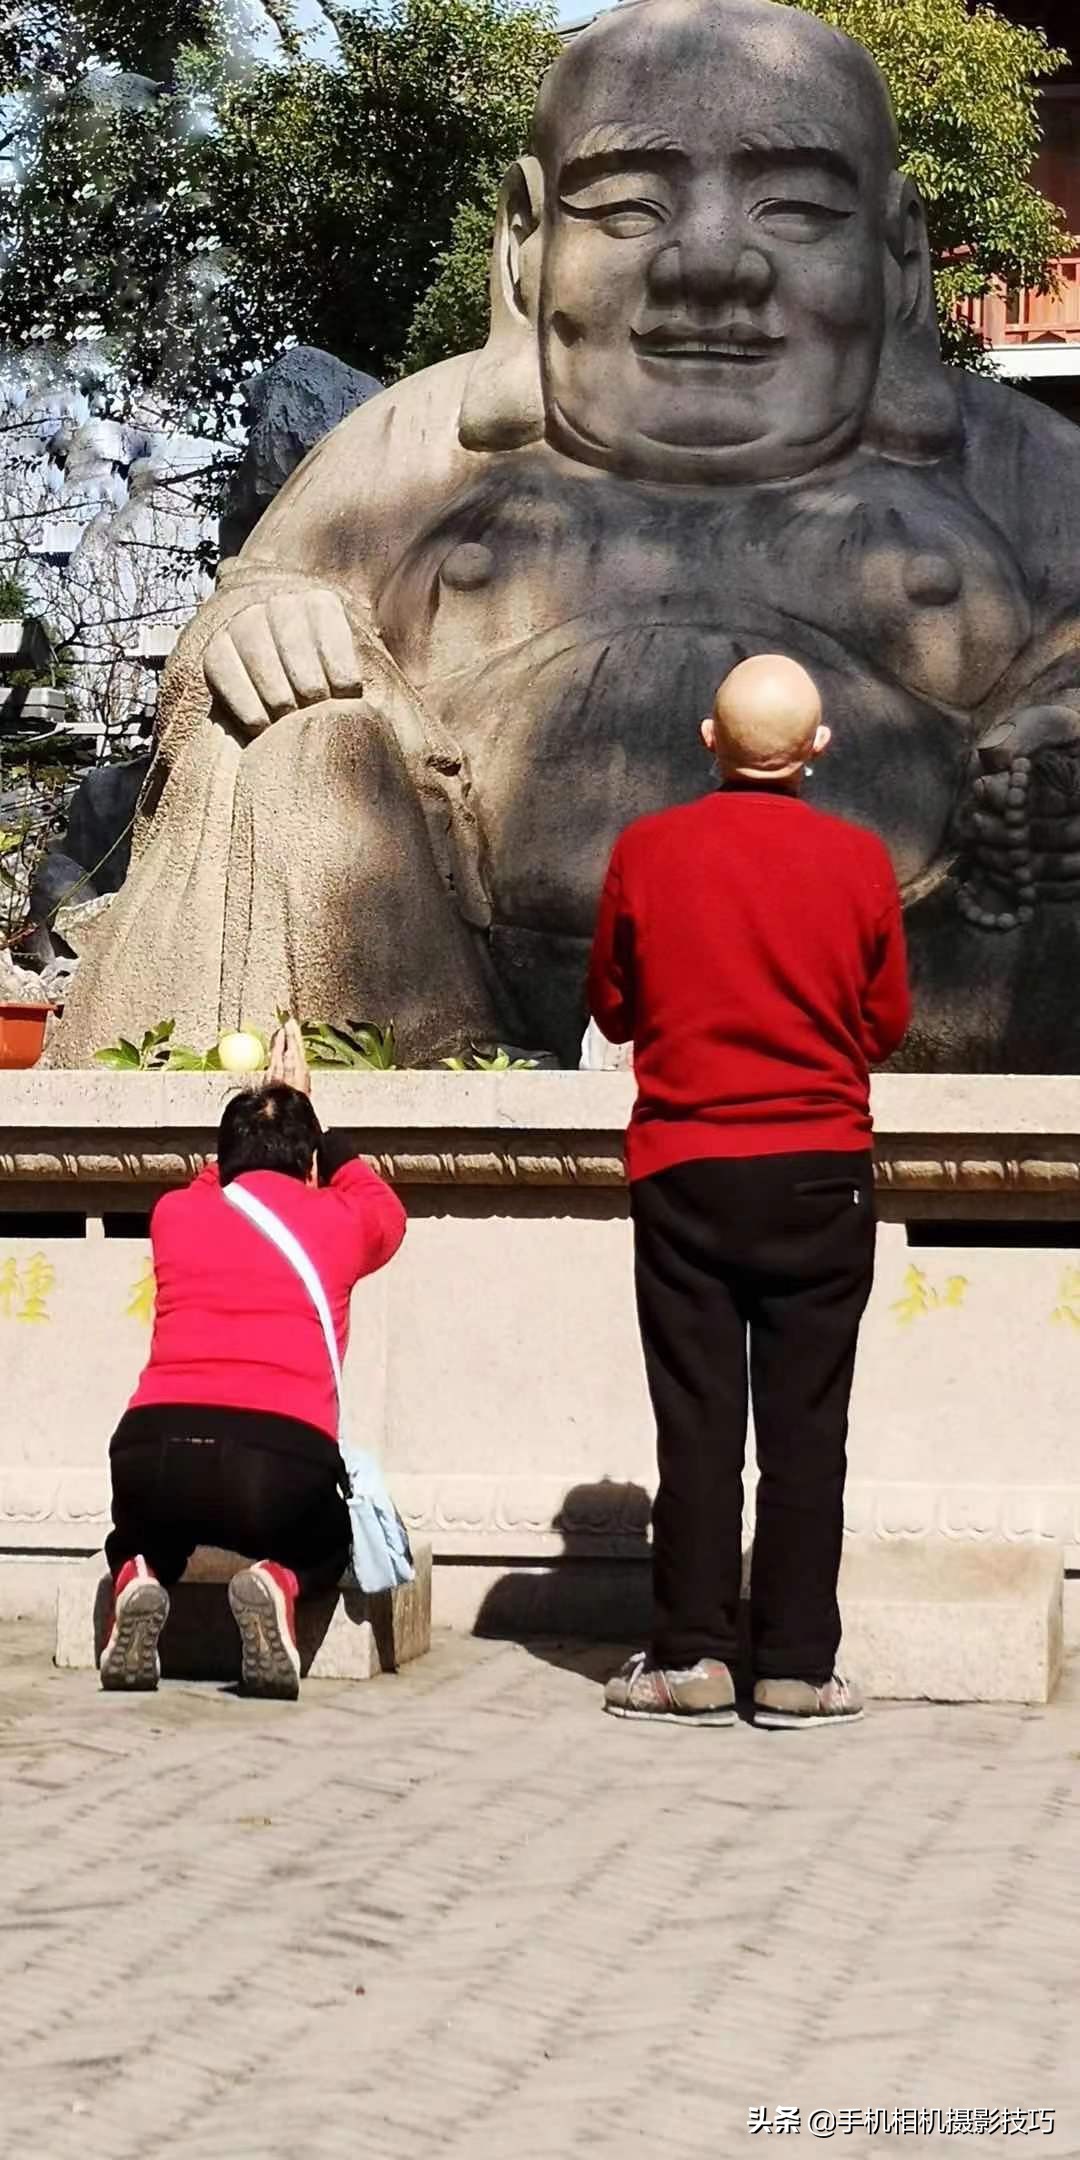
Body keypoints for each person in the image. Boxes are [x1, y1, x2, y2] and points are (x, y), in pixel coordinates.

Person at [55, 0, 1080, 1080]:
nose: (710, 266)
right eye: (630, 208)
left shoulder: (1016, 465)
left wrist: (1055, 736)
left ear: (899, 252)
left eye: (795, 209)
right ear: (524, 241)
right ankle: (234, 1116)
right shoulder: (415, 448)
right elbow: (256, 599)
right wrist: (265, 622)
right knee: (274, 729)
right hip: (422, 983)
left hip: (939, 975)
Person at [588, 655, 910, 1730]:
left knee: (698, 1422)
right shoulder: (861, 860)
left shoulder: (646, 850)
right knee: (808, 1427)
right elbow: (885, 1024)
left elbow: (614, 1008)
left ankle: (692, 1659)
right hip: (821, 1168)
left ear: (708, 740)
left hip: (685, 1168)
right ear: (818, 747)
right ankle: (797, 1669)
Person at [99, 1023, 407, 1700]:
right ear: (309, 1165)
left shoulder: (174, 1215)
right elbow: (387, 1211)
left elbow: (214, 1183)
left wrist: (254, 1129)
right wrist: (317, 1126)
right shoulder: (339, 1221)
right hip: (277, 1464)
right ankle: (277, 1581)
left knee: (142, 1533)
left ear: (225, 1157)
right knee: (326, 1538)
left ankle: (138, 1579)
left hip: (151, 1451)